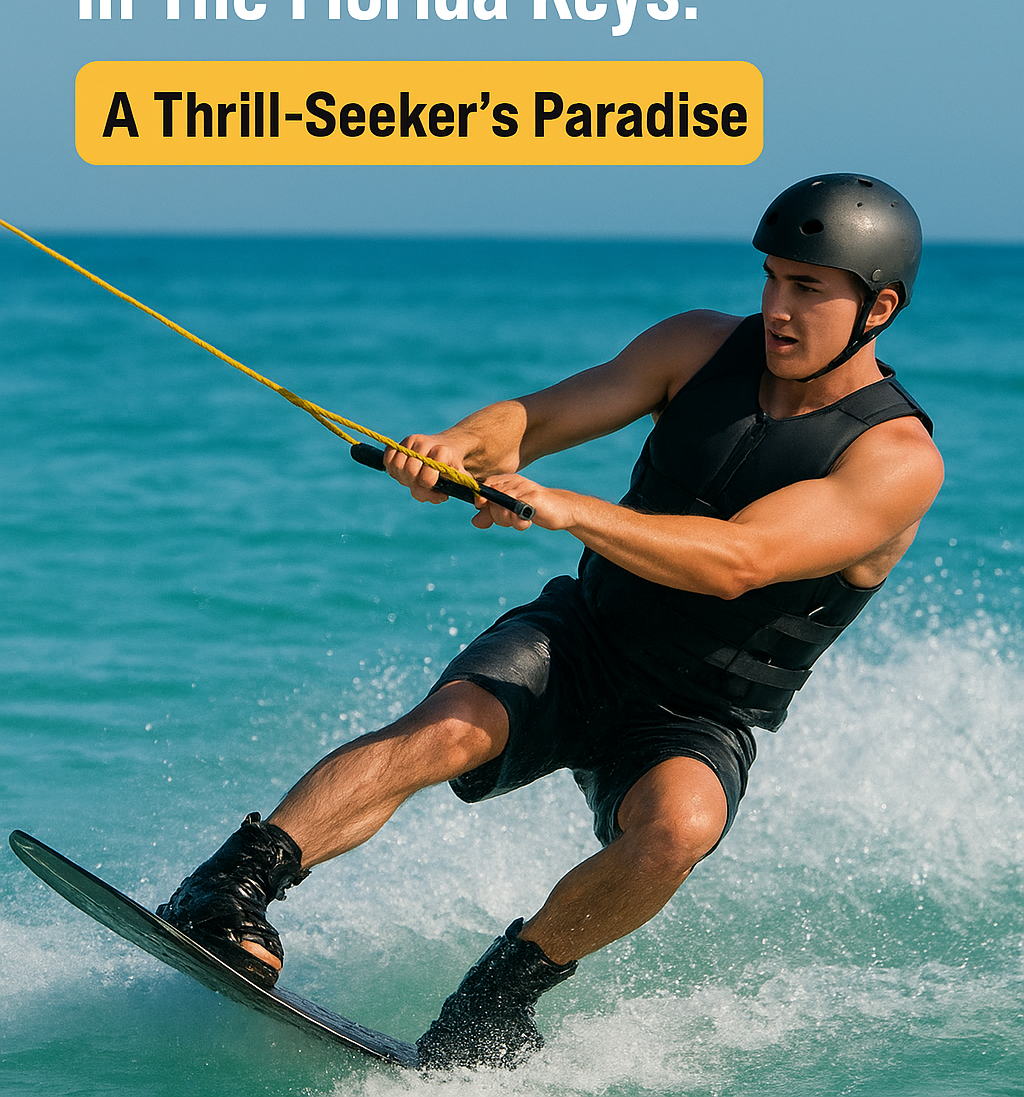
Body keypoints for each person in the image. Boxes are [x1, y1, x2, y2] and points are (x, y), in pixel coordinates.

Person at [158, 173, 943, 1069]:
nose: (776, 307)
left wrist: (568, 509)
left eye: (808, 288)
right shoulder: (696, 346)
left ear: (878, 306)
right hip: (583, 637)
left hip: (699, 711)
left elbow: (741, 561)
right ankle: (230, 886)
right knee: (451, 728)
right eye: (771, 278)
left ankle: (495, 1002)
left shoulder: (896, 459)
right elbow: (540, 418)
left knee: (678, 831)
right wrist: (460, 445)